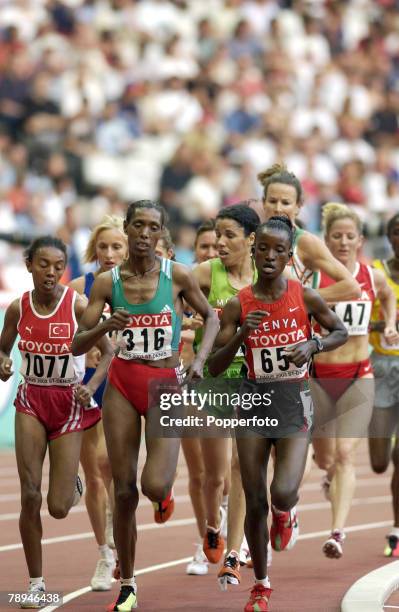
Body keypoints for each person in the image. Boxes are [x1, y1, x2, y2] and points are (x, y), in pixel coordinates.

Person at [71, 200, 219, 612]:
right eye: (137, 225)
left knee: (153, 485)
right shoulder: (106, 282)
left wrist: (200, 364)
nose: (143, 233)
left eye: (152, 227)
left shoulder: (179, 276)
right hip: (122, 382)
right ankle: (129, 583)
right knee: (123, 490)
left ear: (160, 235)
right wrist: (105, 326)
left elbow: (212, 319)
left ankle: (163, 492)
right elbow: (78, 344)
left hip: (165, 384)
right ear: (129, 228)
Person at [208, 216, 347, 612]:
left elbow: (340, 331)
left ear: (289, 256)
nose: (270, 256)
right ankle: (262, 585)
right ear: (253, 252)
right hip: (252, 401)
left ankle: (286, 514)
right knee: (253, 500)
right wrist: (238, 335)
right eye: (263, 248)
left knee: (282, 491)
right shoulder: (239, 303)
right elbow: (215, 367)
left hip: (292, 402)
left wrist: (313, 345)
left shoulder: (305, 296)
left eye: (278, 250)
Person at [0, 236, 111, 605]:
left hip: (68, 404)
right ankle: (35, 584)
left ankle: (71, 487)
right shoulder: (19, 307)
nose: (51, 273)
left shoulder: (77, 304)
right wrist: (3, 362)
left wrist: (90, 385)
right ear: (29, 264)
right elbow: (3, 346)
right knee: (29, 495)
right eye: (43, 264)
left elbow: (109, 351)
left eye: (58, 266)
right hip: (31, 399)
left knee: (58, 508)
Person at [311, 203, 398, 558]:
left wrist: (390, 323)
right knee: (325, 458)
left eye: (350, 236)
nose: (343, 242)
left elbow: (389, 295)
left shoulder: (371, 276)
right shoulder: (314, 278)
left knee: (346, 454)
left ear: (360, 240)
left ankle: (337, 532)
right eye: (336, 236)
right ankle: (328, 474)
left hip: (358, 373)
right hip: (318, 377)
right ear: (326, 240)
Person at [192, 203, 259, 575]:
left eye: (229, 235)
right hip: (214, 379)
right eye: (217, 234)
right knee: (213, 475)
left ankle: (235, 551)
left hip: (252, 379)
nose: (219, 242)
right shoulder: (205, 273)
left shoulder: (264, 278)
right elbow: (171, 301)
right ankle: (213, 528)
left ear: (251, 240)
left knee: (242, 466)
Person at [69, 215, 128, 590]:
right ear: (94, 249)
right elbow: (64, 337)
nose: (109, 254)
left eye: (116, 247)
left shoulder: (144, 287)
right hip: (91, 386)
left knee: (114, 470)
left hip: (126, 384)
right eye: (103, 247)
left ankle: (115, 529)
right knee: (94, 473)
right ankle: (105, 554)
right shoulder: (79, 288)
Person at [259, 163, 361, 300]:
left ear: (298, 206)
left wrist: (300, 299)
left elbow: (352, 288)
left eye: (285, 203)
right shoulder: (252, 238)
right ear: (263, 202)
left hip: (295, 320)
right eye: (272, 201)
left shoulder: (306, 242)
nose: (278, 208)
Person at [368, 212, 399, 557]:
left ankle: (396, 528)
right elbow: (361, 318)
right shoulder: (376, 272)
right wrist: (383, 325)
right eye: (397, 232)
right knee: (378, 461)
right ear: (389, 236)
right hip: (379, 368)